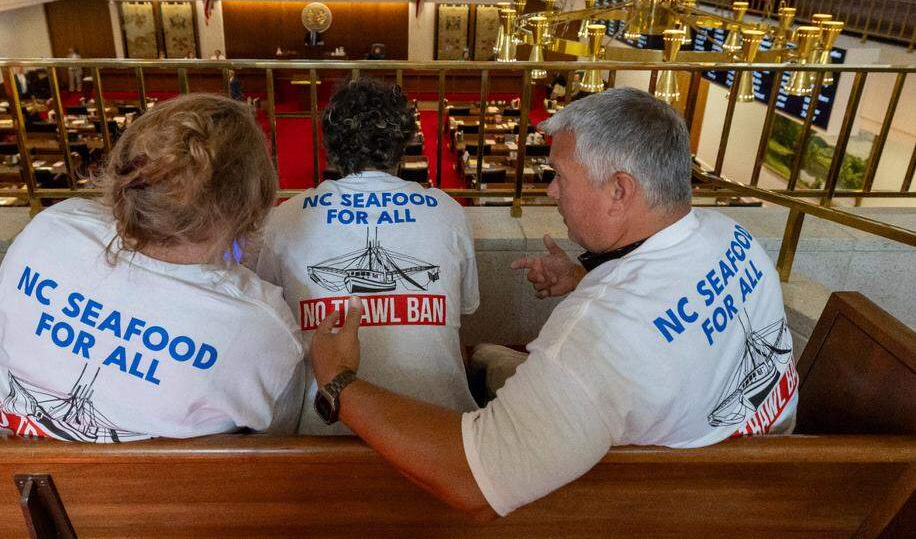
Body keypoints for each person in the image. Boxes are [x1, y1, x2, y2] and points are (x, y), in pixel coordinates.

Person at [307, 87, 796, 518]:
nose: (550, 190)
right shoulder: (731, 234)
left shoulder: (598, 334)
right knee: (497, 359)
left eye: (560, 175)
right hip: (764, 484)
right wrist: (588, 271)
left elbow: (469, 483)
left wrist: (339, 381)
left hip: (657, 510)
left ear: (619, 190)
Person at [0, 94, 304, 441]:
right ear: (250, 209)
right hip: (158, 492)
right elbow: (276, 440)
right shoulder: (262, 324)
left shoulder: (50, 229)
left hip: (20, 479)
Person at [253, 78, 479, 435]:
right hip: (439, 428)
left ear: (329, 144)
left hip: (323, 428)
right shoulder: (448, 212)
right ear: (404, 142)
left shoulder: (285, 217)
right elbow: (463, 312)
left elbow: (269, 321)